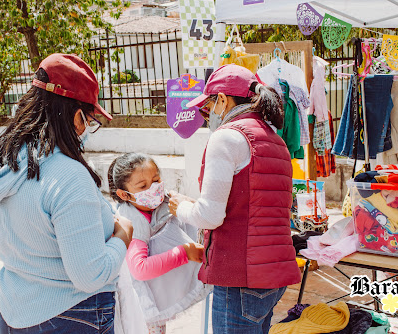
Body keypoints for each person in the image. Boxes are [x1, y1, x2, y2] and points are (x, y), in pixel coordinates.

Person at [0, 53, 133, 333]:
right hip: (73, 316)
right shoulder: (69, 176)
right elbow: (90, 275)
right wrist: (123, 236)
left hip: (14, 315)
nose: (87, 131)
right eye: (90, 121)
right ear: (76, 116)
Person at [168, 64, 302, 334]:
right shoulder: (276, 141)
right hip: (272, 274)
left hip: (241, 277)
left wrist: (181, 207)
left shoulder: (227, 138)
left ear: (222, 100)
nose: (209, 116)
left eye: (209, 108)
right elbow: (249, 206)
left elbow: (210, 216)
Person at [108, 153, 211, 334]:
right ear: (124, 194)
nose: (153, 189)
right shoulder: (132, 222)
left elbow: (199, 215)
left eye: (156, 180)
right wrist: (184, 253)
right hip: (143, 311)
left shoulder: (164, 202)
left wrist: (187, 205)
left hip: (160, 294)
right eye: (143, 186)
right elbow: (140, 269)